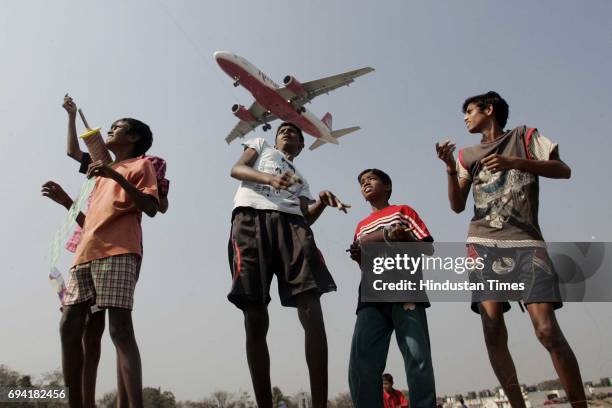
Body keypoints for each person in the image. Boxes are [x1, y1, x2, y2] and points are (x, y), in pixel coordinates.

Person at [435, 91, 586, 407]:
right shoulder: (467, 155)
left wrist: (516, 162)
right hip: (482, 244)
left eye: (470, 111)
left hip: (525, 242)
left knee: (546, 331)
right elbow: (456, 205)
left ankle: (579, 403)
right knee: (492, 330)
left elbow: (563, 170)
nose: (465, 117)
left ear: (489, 110)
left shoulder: (524, 136)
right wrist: (450, 167)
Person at [228, 122, 349, 408]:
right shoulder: (260, 145)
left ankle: (320, 403)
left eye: (294, 132)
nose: (286, 131)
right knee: (254, 314)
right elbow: (237, 170)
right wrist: (270, 180)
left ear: (301, 146)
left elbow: (306, 216)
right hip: (250, 219)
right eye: (282, 129)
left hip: (292, 226)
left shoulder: (301, 179)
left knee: (312, 309)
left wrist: (320, 201)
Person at [43, 115, 159, 408]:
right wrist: (68, 201)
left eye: (117, 127)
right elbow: (91, 222)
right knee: (69, 323)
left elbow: (151, 207)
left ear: (133, 138)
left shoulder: (141, 166)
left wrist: (116, 176)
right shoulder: (98, 175)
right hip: (85, 253)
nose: (109, 130)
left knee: (119, 329)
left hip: (119, 251)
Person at [348, 168, 436, 407]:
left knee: (417, 357)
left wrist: (403, 238)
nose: (366, 183)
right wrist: (359, 257)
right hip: (371, 297)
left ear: (387, 186)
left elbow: (427, 249)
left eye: (372, 179)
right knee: (362, 361)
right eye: (362, 182)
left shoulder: (403, 211)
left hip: (406, 291)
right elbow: (365, 264)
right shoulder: (361, 226)